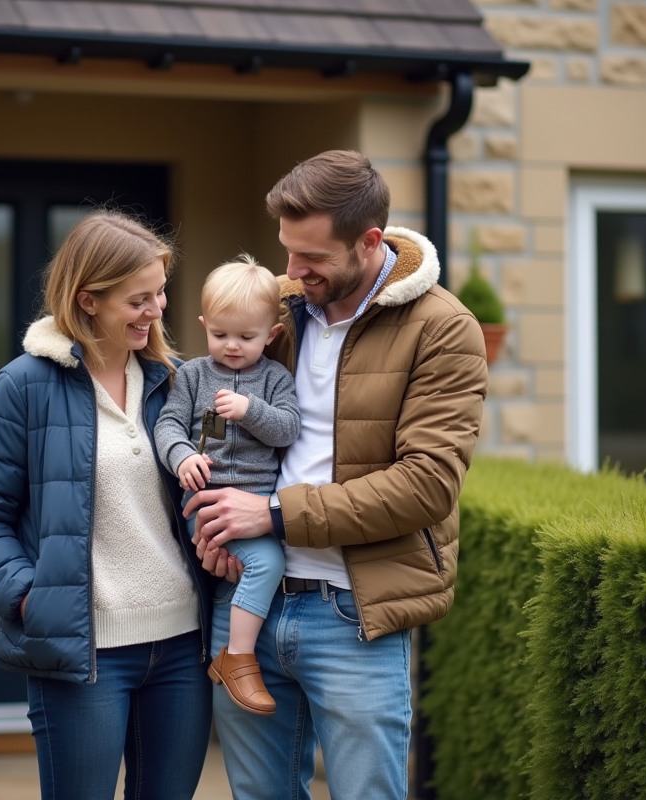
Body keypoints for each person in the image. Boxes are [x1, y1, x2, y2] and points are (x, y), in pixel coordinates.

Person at [185, 150, 488, 800]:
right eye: (286, 252)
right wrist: (209, 515)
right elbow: (208, 400)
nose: (291, 272)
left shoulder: (443, 330)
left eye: (311, 259)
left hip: (354, 613)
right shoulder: (282, 308)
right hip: (249, 605)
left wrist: (270, 515)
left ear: (370, 241)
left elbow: (426, 485)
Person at [0, 211, 214, 800]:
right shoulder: (24, 385)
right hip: (84, 652)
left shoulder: (171, 383)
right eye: (139, 299)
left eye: (161, 294)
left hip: (180, 646)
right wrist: (28, 595)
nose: (157, 311)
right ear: (88, 299)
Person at [153, 256, 300, 716]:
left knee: (262, 560)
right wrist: (183, 457)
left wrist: (249, 409)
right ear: (204, 326)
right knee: (269, 562)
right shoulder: (193, 375)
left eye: (246, 337)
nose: (231, 347)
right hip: (207, 499)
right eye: (219, 335)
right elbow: (168, 425)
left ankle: (235, 655)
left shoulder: (275, 378)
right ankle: (238, 658)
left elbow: (289, 429)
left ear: (271, 334)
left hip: (258, 504)